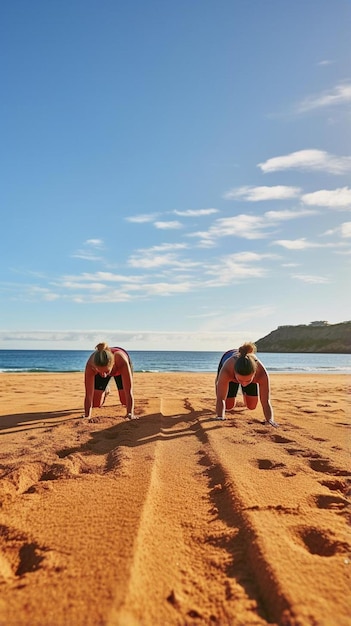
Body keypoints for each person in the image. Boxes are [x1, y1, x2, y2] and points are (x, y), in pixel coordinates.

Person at [215, 342, 278, 427]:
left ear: (255, 373)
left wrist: (270, 420)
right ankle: (223, 384)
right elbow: (220, 399)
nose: (244, 384)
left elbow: (266, 401)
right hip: (227, 361)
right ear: (234, 372)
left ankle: (245, 394)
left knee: (251, 406)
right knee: (228, 406)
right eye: (241, 380)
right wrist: (220, 417)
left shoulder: (261, 373)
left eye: (248, 380)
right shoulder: (227, 370)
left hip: (244, 373)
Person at [83, 342, 136, 421]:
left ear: (113, 364)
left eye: (106, 371)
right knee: (96, 404)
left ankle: (106, 384)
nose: (104, 375)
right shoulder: (91, 365)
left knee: (125, 401)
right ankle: (106, 390)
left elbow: (129, 392)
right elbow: (88, 395)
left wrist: (130, 413)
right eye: (100, 371)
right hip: (104, 367)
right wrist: (87, 415)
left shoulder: (121, 361)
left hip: (120, 369)